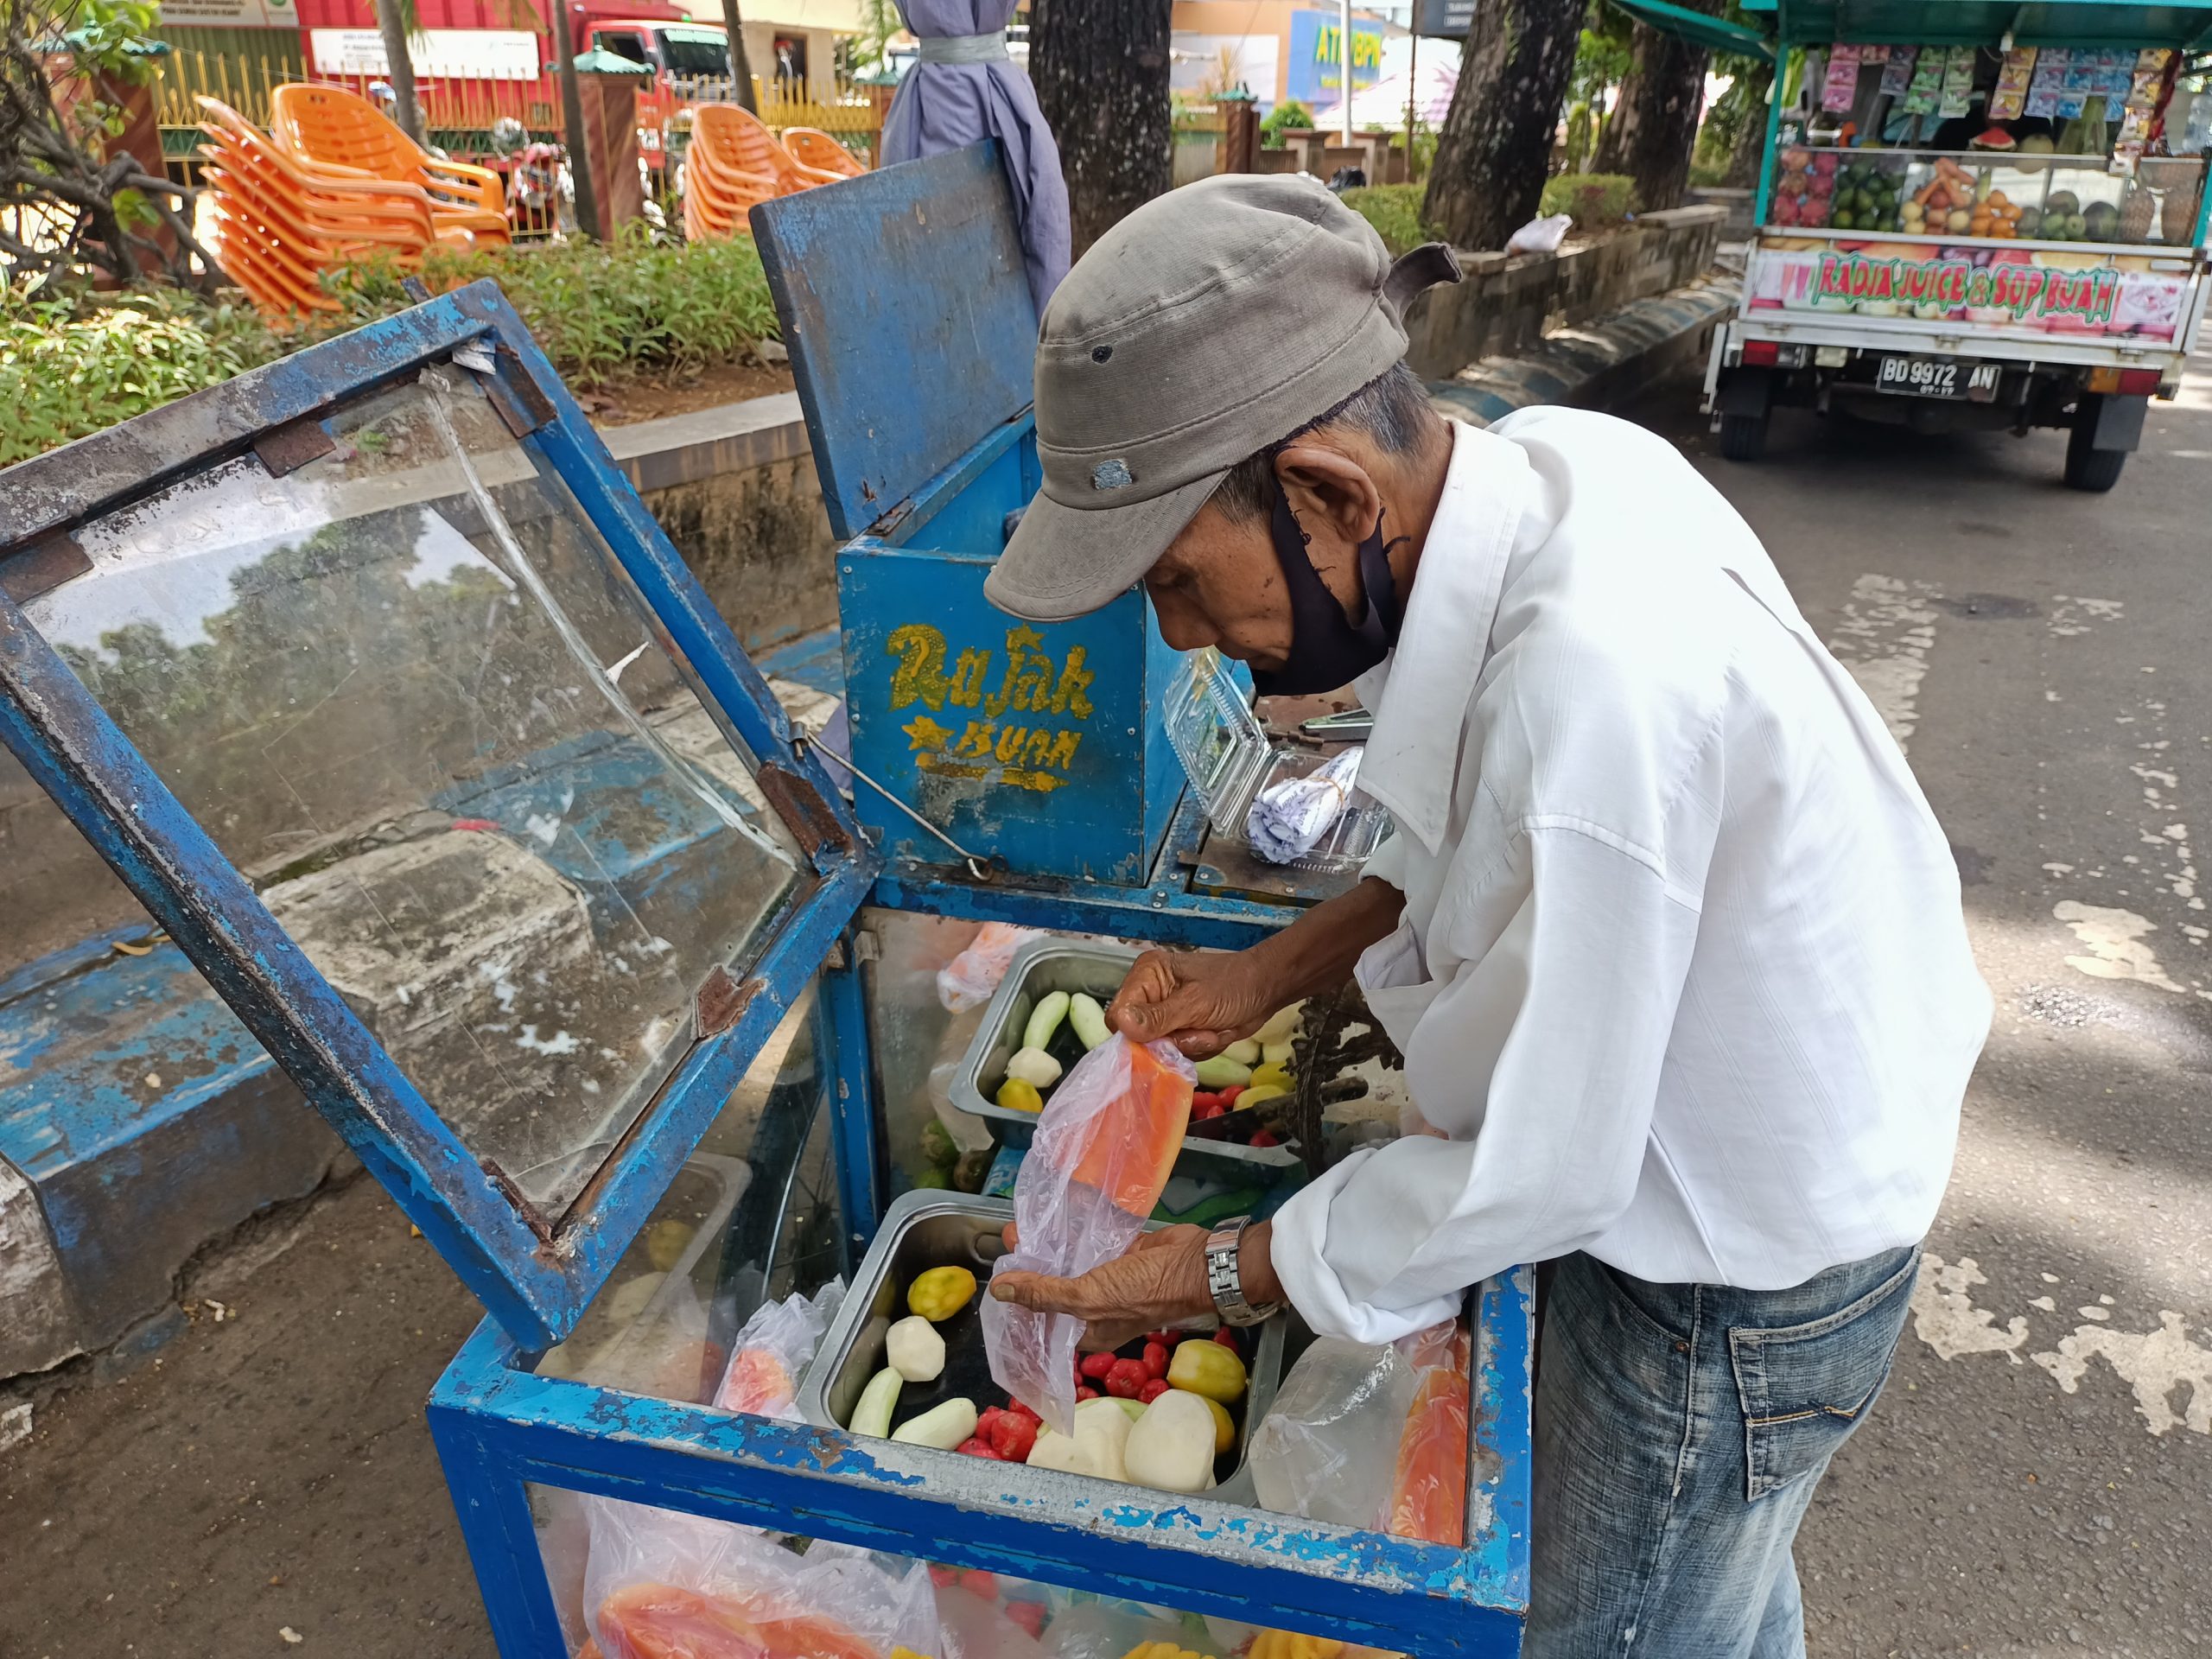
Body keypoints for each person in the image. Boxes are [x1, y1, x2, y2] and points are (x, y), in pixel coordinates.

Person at [981, 174, 1991, 1656]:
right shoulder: (1542, 471)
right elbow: (1489, 829)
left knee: (1626, 1626)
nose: (1184, 637)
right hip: (1767, 1166)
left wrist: (1205, 1275)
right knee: (1719, 1583)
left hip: (1723, 1273)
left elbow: (1548, 1164)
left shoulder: (1600, 689)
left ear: (1329, 494)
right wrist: (1277, 966)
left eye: (1181, 583)